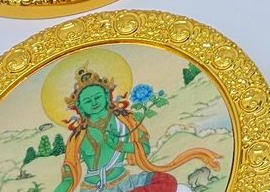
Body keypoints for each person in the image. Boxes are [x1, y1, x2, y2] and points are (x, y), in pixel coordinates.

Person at [55, 67, 220, 192]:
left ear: (106, 96)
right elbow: (69, 175)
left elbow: (144, 148)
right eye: (87, 101)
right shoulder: (78, 136)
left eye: (97, 97)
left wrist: (120, 146)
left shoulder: (126, 120)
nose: (94, 103)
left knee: (166, 181)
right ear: (80, 107)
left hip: (125, 182)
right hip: (93, 188)